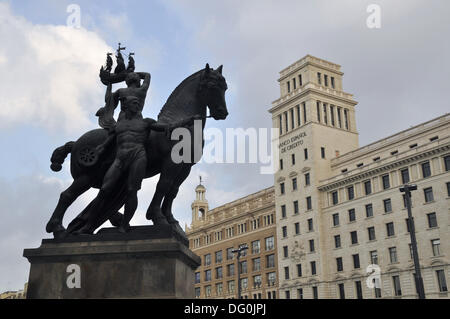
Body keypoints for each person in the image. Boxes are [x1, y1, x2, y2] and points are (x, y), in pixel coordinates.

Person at [77, 95, 197, 233]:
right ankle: (88, 225)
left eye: (138, 103)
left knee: (131, 191)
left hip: (138, 158)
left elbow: (169, 127)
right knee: (104, 190)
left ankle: (124, 225)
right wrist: (99, 150)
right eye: (135, 103)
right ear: (126, 106)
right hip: (120, 159)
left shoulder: (146, 122)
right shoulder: (119, 125)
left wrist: (188, 120)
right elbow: (108, 142)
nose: (138, 106)